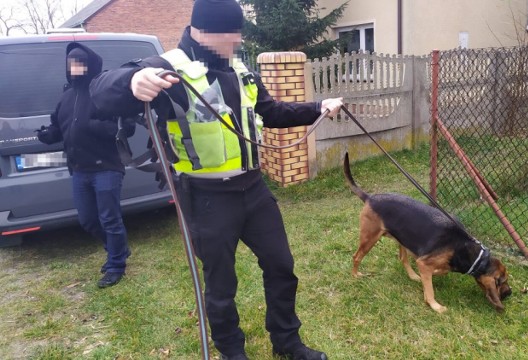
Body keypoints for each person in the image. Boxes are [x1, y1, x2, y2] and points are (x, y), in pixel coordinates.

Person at [89, 0, 342, 358]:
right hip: (206, 198)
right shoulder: (166, 69)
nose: (238, 41)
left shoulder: (239, 69)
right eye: (231, 33)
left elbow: (271, 112)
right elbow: (99, 91)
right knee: (221, 284)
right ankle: (231, 351)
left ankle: (287, 341)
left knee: (281, 265)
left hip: (253, 189)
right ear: (201, 32)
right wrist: (132, 80)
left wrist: (318, 107)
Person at [37, 42, 133, 288]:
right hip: (79, 169)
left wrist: (92, 125)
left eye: (80, 62)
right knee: (88, 220)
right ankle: (118, 249)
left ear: (90, 65)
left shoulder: (104, 92)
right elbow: (59, 128)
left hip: (107, 167)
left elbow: (125, 128)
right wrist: (48, 134)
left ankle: (116, 264)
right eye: (71, 63)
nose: (75, 67)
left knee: (110, 219)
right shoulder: (66, 96)